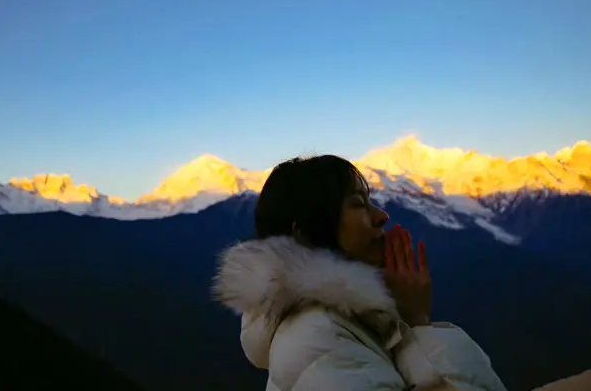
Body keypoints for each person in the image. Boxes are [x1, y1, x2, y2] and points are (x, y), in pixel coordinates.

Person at [212, 155, 507, 390]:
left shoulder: (332, 326)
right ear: (306, 233)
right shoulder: (319, 340)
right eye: (358, 204)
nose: (382, 216)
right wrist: (417, 325)